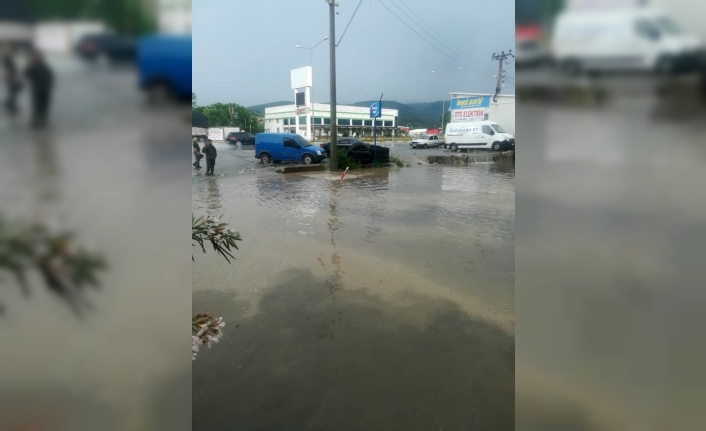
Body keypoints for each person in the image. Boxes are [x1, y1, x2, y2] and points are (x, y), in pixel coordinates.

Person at [24, 50, 54, 128]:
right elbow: (26, 75)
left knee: (44, 105)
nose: (41, 57)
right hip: (37, 89)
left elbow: (50, 76)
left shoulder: (44, 65)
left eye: (41, 56)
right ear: (34, 57)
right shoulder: (32, 66)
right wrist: (29, 64)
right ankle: (35, 122)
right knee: (37, 106)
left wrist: (50, 85)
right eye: (39, 56)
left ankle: (42, 122)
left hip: (46, 89)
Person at [2, 43, 21, 116]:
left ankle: (10, 104)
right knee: (13, 92)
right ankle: (10, 105)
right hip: (10, 77)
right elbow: (7, 69)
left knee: (13, 92)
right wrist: (11, 78)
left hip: (11, 77)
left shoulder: (9, 57)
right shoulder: (7, 58)